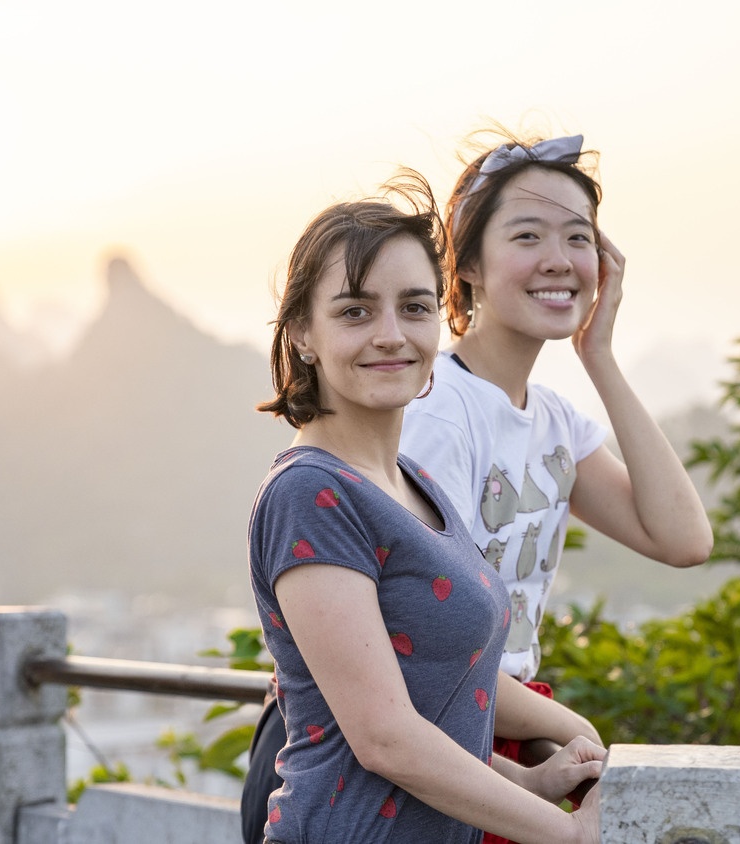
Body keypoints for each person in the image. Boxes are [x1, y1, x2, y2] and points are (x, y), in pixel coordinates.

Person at [246, 173, 604, 844]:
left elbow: (432, 700)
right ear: (302, 333)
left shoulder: (414, 485)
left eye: (414, 307)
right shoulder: (310, 494)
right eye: (355, 311)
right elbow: (385, 738)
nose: (392, 334)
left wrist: (530, 782)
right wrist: (575, 836)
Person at [395, 133, 715, 789]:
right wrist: (569, 727)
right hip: (443, 741)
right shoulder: (439, 412)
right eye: (527, 237)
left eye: (577, 238)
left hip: (502, 725)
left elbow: (682, 538)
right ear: (469, 264)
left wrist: (598, 355)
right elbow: (420, 639)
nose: (559, 260)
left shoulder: (553, 421)